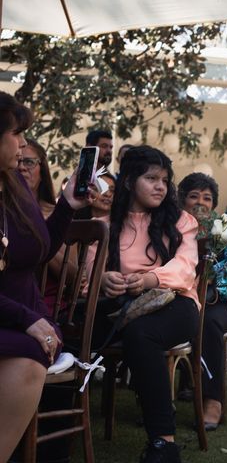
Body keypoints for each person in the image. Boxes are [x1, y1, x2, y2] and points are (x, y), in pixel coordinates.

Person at [89, 145, 199, 463]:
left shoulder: (181, 220)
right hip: (119, 303)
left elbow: (186, 267)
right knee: (68, 328)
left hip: (175, 303)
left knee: (141, 334)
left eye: (164, 179)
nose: (160, 186)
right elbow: (89, 269)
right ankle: (52, 430)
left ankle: (163, 443)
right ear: (128, 182)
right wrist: (103, 278)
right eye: (151, 178)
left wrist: (151, 279)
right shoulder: (107, 224)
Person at [0, 92, 92, 462]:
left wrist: (68, 205)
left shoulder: (15, 184)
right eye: (16, 133)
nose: (23, 144)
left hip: (21, 316)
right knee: (29, 348)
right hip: (18, 318)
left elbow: (39, 250)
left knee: (32, 350)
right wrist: (29, 320)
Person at [177, 172, 227, 430]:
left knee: (209, 323)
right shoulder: (172, 225)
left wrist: (210, 282)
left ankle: (213, 400)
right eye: (193, 196)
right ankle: (162, 399)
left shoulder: (223, 227)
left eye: (207, 198)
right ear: (182, 200)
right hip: (180, 297)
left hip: (218, 301)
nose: (200, 202)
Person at [18, 139, 80, 316]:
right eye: (17, 162)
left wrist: (34, 233)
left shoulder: (59, 214)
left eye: (29, 162)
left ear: (42, 169)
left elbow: (72, 276)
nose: (22, 168)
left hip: (46, 306)